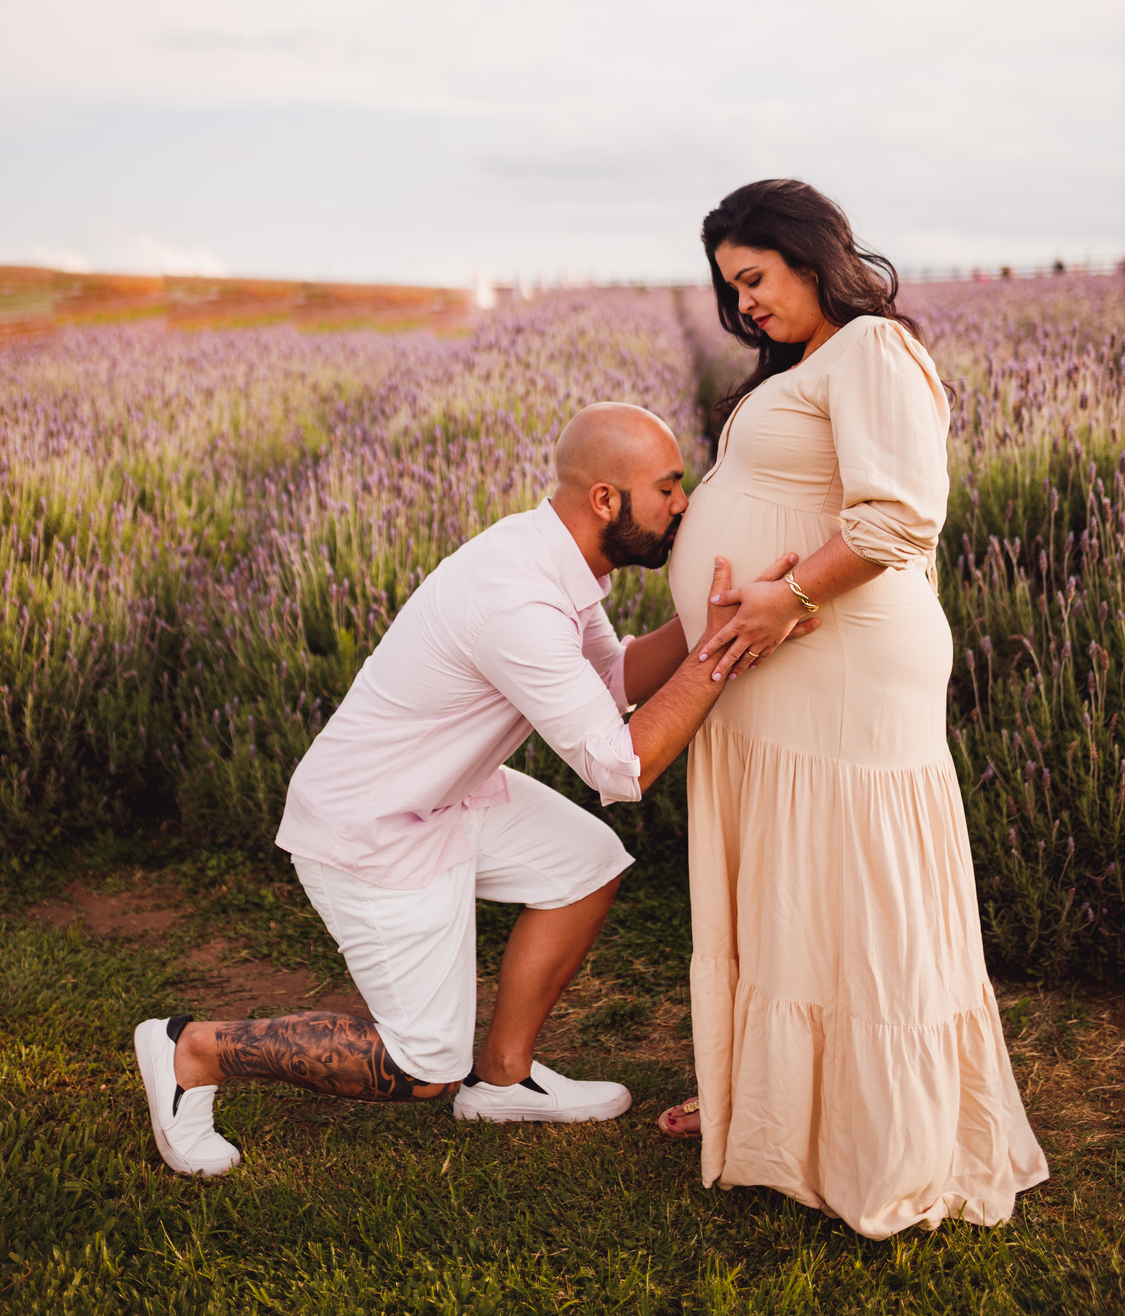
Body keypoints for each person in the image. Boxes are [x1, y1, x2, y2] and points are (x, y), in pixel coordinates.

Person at [134, 400, 816, 1176]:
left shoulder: (552, 558)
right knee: (422, 1069)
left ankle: (503, 1079)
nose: (682, 503)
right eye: (668, 487)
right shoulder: (517, 598)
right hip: (370, 825)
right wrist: (728, 648)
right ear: (605, 500)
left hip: (448, 794)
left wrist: (712, 622)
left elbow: (613, 675)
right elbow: (621, 768)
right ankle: (190, 1050)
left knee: (587, 863)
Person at [659, 179, 1048, 1238]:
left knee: (853, 894)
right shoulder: (809, 367)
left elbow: (898, 515)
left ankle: (880, 1133)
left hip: (842, 665)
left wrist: (784, 599)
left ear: (806, 253)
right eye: (728, 290)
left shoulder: (872, 349)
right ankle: (773, 1104)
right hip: (780, 670)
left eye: (754, 278)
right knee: (793, 894)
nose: (743, 306)